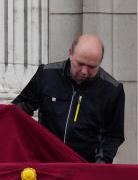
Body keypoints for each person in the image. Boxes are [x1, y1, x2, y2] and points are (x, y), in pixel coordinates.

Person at [13, 34, 125, 163]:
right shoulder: (46, 74)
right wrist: (3, 113)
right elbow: (22, 105)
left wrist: (100, 166)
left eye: (92, 67)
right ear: (70, 54)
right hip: (45, 162)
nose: (84, 71)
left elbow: (113, 135)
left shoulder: (112, 90)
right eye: (80, 64)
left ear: (100, 62)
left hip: (85, 167)